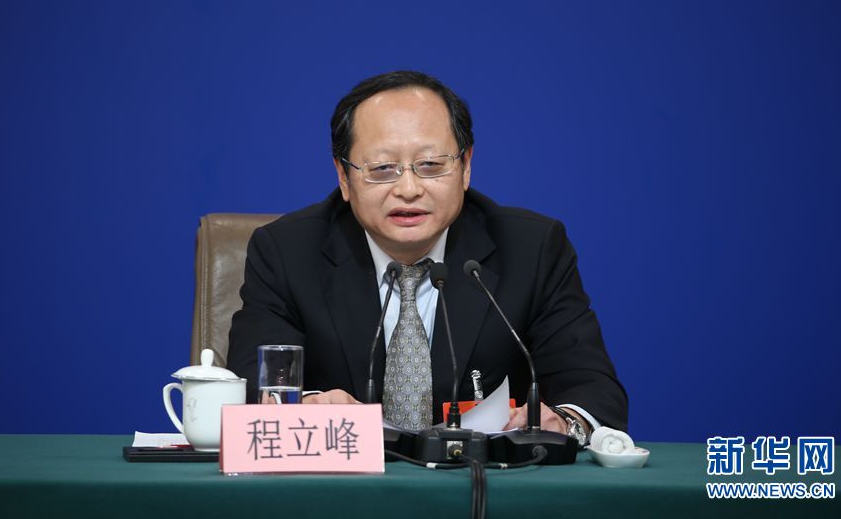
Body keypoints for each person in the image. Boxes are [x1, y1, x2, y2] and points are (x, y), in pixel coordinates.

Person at [227, 70, 627, 442]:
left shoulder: (531, 249)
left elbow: (592, 389)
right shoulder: (287, 252)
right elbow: (252, 387)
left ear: (466, 167)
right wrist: (305, 406)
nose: (408, 189)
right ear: (343, 177)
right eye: (382, 168)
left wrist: (564, 421)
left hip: (482, 483)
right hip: (343, 482)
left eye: (431, 165)